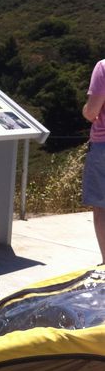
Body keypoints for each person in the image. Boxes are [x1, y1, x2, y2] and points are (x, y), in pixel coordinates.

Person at [82, 58, 105, 264]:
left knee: (102, 206)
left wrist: (85, 110)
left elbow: (92, 112)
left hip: (103, 145)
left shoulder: (103, 67)